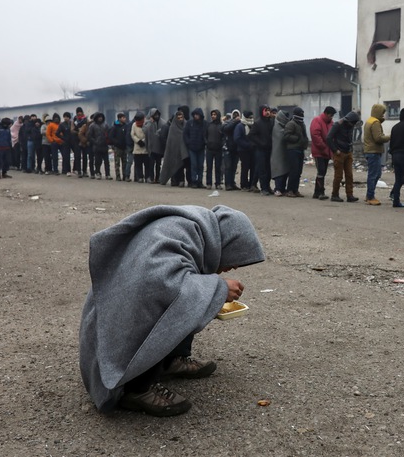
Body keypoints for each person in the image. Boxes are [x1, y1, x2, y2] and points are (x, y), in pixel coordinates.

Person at [79, 204, 265, 417]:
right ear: (226, 241)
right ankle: (136, 389)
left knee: (196, 291)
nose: (233, 267)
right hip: (117, 330)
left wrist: (210, 289)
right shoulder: (178, 234)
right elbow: (160, 286)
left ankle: (171, 360)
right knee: (184, 298)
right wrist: (219, 288)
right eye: (235, 259)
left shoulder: (193, 231)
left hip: (121, 308)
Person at [327, 111, 360, 203]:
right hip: (339, 153)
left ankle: (350, 195)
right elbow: (329, 138)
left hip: (348, 152)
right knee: (338, 176)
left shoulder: (350, 125)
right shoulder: (337, 125)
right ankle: (335, 195)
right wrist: (335, 150)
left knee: (349, 175)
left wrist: (351, 148)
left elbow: (349, 137)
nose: (352, 125)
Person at [363, 103, 390, 205]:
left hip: (370, 151)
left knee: (375, 174)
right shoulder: (375, 123)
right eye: (382, 113)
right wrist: (389, 136)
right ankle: (370, 197)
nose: (383, 115)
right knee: (374, 175)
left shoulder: (369, 121)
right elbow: (378, 138)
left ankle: (369, 195)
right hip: (373, 151)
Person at [309, 106, 336, 200]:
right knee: (321, 171)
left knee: (322, 172)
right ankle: (320, 192)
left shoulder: (331, 123)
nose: (331, 117)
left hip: (326, 151)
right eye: (331, 115)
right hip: (319, 151)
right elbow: (315, 135)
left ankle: (317, 192)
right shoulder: (317, 120)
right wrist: (324, 147)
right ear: (326, 113)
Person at [283, 107, 309, 198]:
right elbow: (286, 136)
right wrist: (296, 139)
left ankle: (295, 190)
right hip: (292, 150)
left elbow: (304, 135)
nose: (302, 115)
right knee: (293, 171)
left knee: (298, 171)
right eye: (301, 113)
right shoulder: (291, 124)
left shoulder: (302, 124)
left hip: (300, 149)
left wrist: (305, 142)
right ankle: (289, 190)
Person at [248, 105, 274, 195]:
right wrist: (260, 143)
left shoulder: (271, 122)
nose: (267, 112)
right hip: (260, 150)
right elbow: (251, 135)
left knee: (269, 170)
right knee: (262, 170)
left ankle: (268, 186)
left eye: (268, 110)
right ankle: (264, 188)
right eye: (265, 110)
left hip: (269, 149)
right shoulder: (258, 123)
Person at [159, 111, 188, 187]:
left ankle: (182, 180)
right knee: (173, 165)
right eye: (178, 118)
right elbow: (170, 140)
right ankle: (174, 180)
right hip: (174, 150)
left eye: (181, 117)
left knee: (181, 166)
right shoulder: (172, 127)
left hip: (183, 151)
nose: (180, 119)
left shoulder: (186, 125)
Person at [270, 110, 290, 196]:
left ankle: (282, 188)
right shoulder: (275, 125)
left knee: (285, 171)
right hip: (276, 151)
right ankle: (277, 188)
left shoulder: (286, 126)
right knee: (278, 171)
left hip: (284, 152)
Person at [87, 112, 112, 180]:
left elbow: (109, 134)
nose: (100, 118)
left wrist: (108, 141)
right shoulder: (92, 126)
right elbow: (89, 136)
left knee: (107, 161)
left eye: (101, 117)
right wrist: (95, 142)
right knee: (98, 161)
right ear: (96, 118)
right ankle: (97, 173)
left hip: (104, 145)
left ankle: (108, 174)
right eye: (99, 117)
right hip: (96, 146)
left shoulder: (105, 125)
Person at [235, 111, 255, 192]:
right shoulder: (240, 126)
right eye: (249, 117)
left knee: (253, 167)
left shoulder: (253, 125)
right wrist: (247, 145)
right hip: (243, 150)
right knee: (245, 168)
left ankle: (251, 184)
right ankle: (244, 185)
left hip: (252, 150)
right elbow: (237, 138)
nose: (251, 118)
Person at [222, 110, 242, 191]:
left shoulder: (240, 124)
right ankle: (227, 184)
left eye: (237, 115)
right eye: (234, 114)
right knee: (228, 167)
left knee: (234, 167)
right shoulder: (227, 123)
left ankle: (232, 183)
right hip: (227, 148)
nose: (236, 116)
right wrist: (234, 122)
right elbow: (226, 129)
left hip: (236, 149)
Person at [145, 108, 165, 184]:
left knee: (158, 164)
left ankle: (158, 177)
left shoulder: (163, 123)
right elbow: (145, 130)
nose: (156, 116)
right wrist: (150, 123)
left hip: (159, 148)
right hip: (151, 147)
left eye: (157, 114)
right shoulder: (148, 123)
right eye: (154, 114)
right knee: (151, 164)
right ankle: (151, 178)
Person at [205, 109, 224, 189]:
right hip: (209, 149)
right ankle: (209, 183)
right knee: (209, 167)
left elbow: (223, 137)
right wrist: (207, 143)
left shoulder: (221, 126)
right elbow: (205, 136)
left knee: (218, 167)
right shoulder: (209, 125)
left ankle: (218, 183)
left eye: (214, 115)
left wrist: (221, 144)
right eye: (212, 115)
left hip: (218, 150)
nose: (213, 116)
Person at [131, 112, 151, 183]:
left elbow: (149, 134)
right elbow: (132, 134)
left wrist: (144, 141)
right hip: (137, 148)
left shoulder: (147, 124)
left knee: (147, 165)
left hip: (146, 148)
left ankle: (147, 177)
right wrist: (138, 141)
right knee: (138, 164)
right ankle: (140, 177)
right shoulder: (134, 125)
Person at [110, 113, 129, 181]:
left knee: (125, 163)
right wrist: (116, 142)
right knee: (117, 163)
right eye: (123, 118)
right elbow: (111, 137)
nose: (125, 119)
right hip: (117, 147)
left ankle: (125, 176)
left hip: (124, 147)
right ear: (119, 118)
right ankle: (118, 176)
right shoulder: (115, 127)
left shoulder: (126, 126)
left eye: (125, 117)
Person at [55, 112, 74, 176]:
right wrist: (63, 138)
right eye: (65, 117)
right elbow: (57, 133)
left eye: (67, 117)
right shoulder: (62, 125)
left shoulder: (72, 123)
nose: (66, 118)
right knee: (66, 157)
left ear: (69, 117)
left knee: (77, 155)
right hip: (66, 142)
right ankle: (67, 170)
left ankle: (76, 169)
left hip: (73, 141)